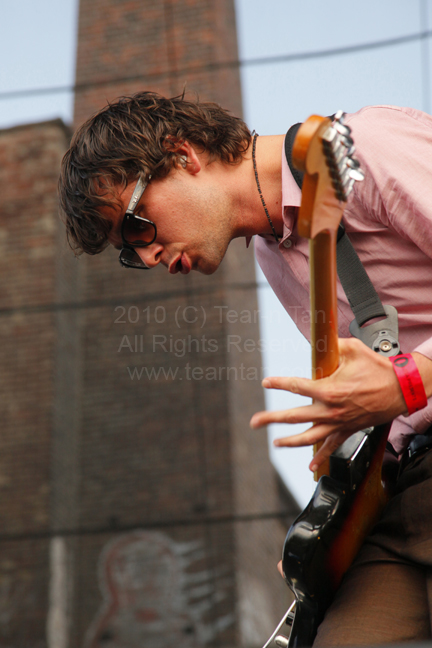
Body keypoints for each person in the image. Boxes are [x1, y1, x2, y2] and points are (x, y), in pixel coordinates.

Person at [59, 91, 432, 646]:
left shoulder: (368, 146)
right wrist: (331, 522)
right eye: (128, 252)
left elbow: (400, 382)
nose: (147, 257)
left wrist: (411, 379)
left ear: (182, 155)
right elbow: (383, 397)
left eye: (136, 227)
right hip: (406, 492)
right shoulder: (273, 255)